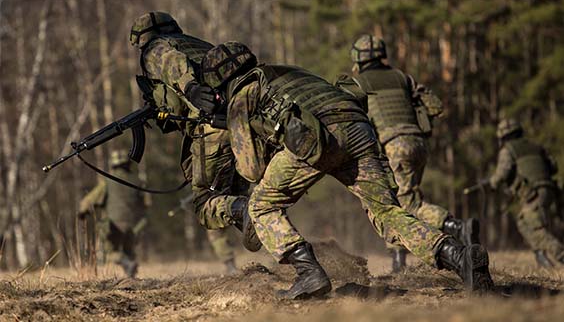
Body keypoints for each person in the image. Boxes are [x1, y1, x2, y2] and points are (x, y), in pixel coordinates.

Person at [191, 41, 494, 299]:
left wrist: (242, 130)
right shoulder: (287, 72)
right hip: (360, 128)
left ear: (221, 82)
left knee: (261, 206)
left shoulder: (241, 97)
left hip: (318, 138)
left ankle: (308, 272)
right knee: (388, 213)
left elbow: (251, 170)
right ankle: (460, 256)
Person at [337, 34, 480, 271]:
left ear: (358, 59)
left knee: (402, 206)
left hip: (393, 146)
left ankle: (454, 226)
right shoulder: (402, 77)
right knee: (402, 201)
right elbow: (435, 106)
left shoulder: (359, 83)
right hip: (417, 144)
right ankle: (399, 261)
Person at [129, 12, 260, 251]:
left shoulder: (156, 47)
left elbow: (172, 64)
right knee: (237, 195)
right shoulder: (200, 45)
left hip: (211, 127)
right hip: (242, 123)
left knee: (206, 204)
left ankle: (257, 216)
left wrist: (190, 89)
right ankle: (293, 253)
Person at [488, 118, 564, 267]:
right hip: (550, 189)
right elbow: (553, 167)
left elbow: (503, 173)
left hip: (533, 193)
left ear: (503, 136)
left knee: (536, 228)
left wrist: (492, 182)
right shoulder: (536, 146)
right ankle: (541, 257)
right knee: (523, 222)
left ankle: (560, 254)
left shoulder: (508, 150)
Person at [79, 150, 146, 277]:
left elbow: (89, 200)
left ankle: (127, 266)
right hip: (134, 225)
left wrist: (82, 211)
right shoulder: (137, 181)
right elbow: (146, 203)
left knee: (111, 253)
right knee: (129, 252)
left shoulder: (108, 181)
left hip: (113, 225)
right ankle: (131, 278)